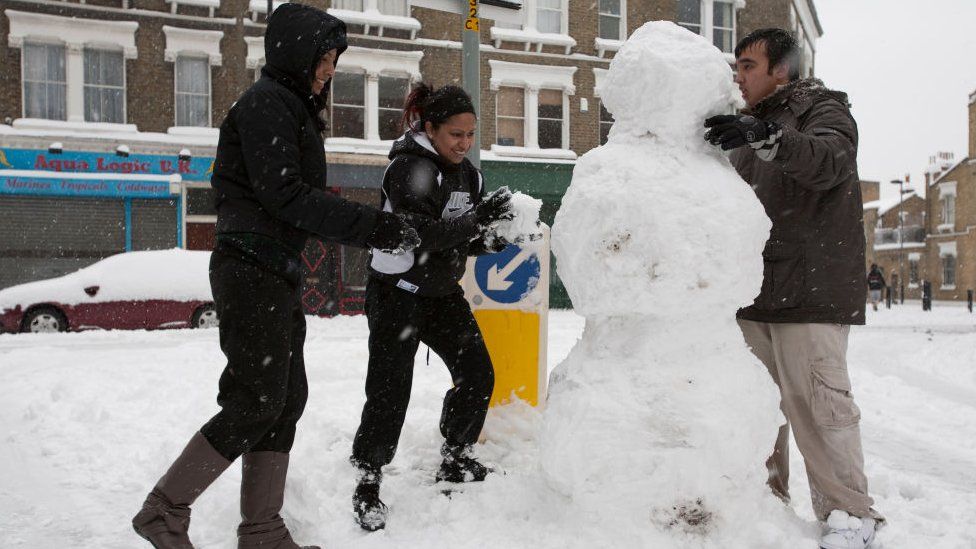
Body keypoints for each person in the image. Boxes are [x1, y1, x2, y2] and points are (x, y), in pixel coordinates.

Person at [131, 5, 419, 548]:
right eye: (326, 57)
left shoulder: (293, 108)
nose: (331, 69)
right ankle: (164, 509)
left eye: (334, 58)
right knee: (256, 397)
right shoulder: (267, 104)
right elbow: (285, 195)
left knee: (285, 397)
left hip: (273, 269)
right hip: (249, 265)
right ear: (299, 52)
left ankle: (261, 528)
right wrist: (376, 228)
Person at [703, 28, 885, 549]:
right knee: (756, 410)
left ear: (781, 69)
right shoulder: (748, 130)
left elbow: (830, 162)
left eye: (747, 66)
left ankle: (851, 516)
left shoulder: (821, 110)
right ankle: (765, 507)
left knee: (818, 409)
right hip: (755, 294)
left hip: (809, 291)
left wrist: (765, 136)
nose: (737, 76)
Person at [348, 83, 513, 532]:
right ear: (430, 128)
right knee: (389, 390)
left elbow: (459, 237)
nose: (464, 143)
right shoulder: (410, 169)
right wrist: (473, 223)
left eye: (470, 135)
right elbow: (417, 232)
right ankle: (368, 479)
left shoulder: (469, 176)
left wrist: (488, 239)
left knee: (478, 374)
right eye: (456, 134)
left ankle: (456, 455)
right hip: (397, 293)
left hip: (441, 294)